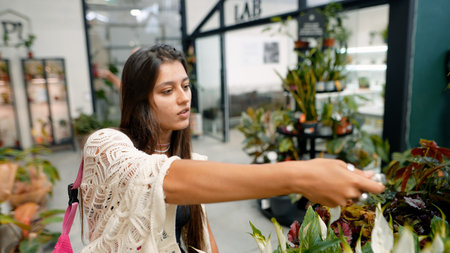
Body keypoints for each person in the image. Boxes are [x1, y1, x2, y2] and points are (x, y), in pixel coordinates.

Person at [79, 44, 385, 253]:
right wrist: (299, 175)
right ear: (140, 100)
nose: (184, 98)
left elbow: (200, 235)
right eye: (167, 91)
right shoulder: (105, 146)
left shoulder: (186, 161)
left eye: (186, 86)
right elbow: (160, 179)